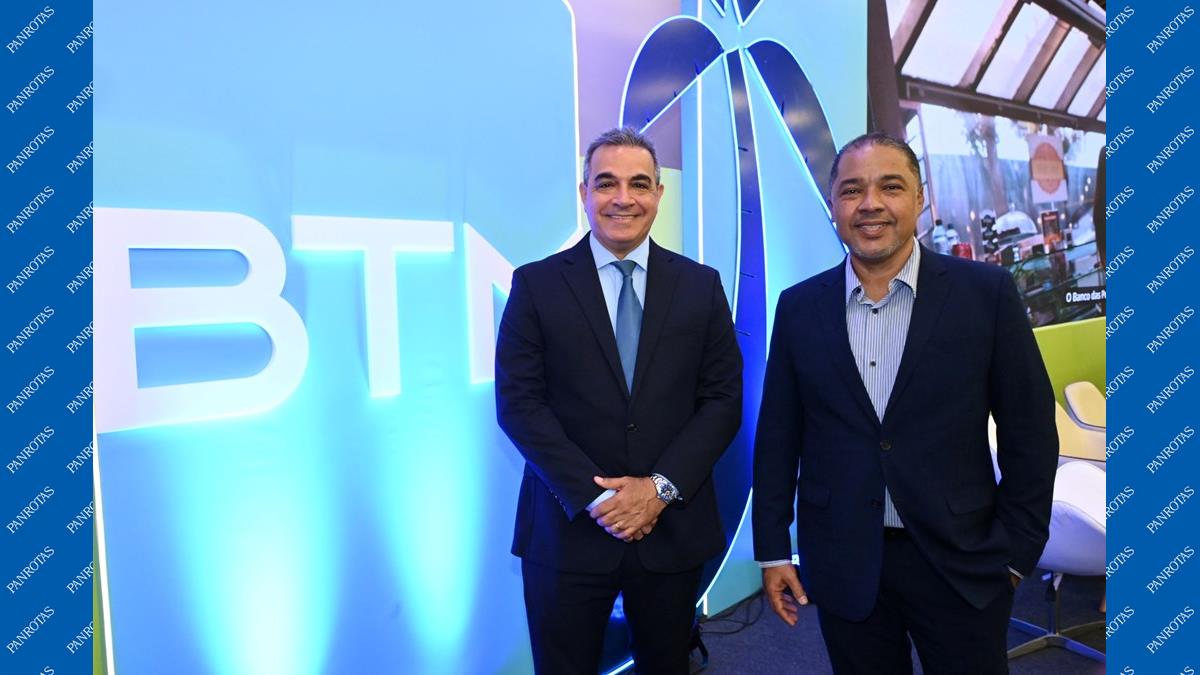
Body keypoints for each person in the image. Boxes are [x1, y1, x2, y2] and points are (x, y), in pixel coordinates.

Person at [751, 132, 1058, 674]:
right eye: (852, 190)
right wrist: (774, 549)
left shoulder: (985, 293)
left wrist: (1016, 553)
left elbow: (1029, 431)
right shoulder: (798, 307)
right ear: (833, 206)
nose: (870, 204)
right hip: (843, 559)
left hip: (962, 560)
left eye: (890, 187)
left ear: (920, 200)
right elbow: (779, 436)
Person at [496, 127, 742, 674]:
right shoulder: (536, 285)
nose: (622, 198)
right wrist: (601, 499)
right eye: (606, 183)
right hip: (567, 531)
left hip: (671, 528)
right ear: (584, 192)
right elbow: (519, 404)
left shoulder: (701, 286)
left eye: (639, 184)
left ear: (659, 193)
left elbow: (723, 401)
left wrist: (657, 490)